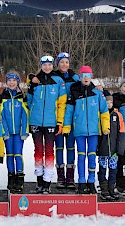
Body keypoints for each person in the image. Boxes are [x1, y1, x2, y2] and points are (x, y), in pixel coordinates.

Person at [63, 66, 110, 194]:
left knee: (92, 156)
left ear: (91, 77)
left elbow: (104, 112)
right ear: (79, 77)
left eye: (88, 75)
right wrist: (66, 126)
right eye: (83, 75)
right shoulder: (75, 92)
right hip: (79, 130)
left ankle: (91, 181)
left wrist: (105, 127)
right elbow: (69, 112)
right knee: (81, 156)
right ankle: (82, 181)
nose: (85, 78)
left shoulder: (97, 93)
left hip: (94, 131)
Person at [27, 55, 67, 194]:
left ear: (52, 65)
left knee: (49, 152)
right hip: (36, 122)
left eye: (50, 64)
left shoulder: (58, 81)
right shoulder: (35, 81)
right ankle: (39, 181)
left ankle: (47, 182)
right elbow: (29, 101)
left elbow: (62, 104)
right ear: (41, 65)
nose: (47, 67)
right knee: (38, 151)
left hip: (51, 122)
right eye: (44, 65)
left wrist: (59, 122)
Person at [0, 71, 29, 193]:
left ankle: (20, 178)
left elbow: (25, 114)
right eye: (9, 80)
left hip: (19, 132)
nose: (11, 82)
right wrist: (4, 131)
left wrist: (24, 131)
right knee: (10, 155)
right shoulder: (2, 97)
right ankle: (11, 178)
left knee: (18, 154)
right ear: (6, 82)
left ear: (18, 82)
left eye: (14, 80)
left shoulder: (21, 96)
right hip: (8, 133)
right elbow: (1, 115)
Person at [54, 52, 80, 189]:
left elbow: (86, 86)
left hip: (71, 117)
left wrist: (99, 89)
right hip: (57, 117)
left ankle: (70, 176)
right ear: (57, 63)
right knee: (59, 147)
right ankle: (60, 176)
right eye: (62, 62)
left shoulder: (74, 77)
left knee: (70, 146)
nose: (64, 64)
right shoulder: (53, 76)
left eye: (67, 62)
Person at [97, 92, 125, 200]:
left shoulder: (117, 115)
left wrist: (120, 149)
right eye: (106, 102)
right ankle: (104, 189)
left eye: (110, 102)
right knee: (102, 169)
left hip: (114, 150)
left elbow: (121, 133)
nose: (109, 104)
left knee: (113, 170)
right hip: (103, 149)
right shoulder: (99, 114)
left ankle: (112, 188)